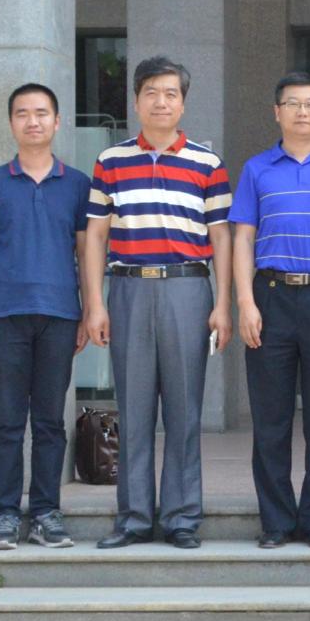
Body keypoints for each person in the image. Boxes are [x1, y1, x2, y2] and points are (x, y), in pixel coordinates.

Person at [81, 56, 233, 551]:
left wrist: (223, 303)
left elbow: (222, 236)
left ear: (183, 103)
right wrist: (95, 303)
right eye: (151, 92)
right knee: (134, 408)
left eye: (170, 93)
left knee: (185, 409)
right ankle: (134, 518)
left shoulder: (208, 163)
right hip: (128, 289)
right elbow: (95, 235)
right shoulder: (111, 161)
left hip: (188, 289)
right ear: (136, 100)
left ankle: (182, 517)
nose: (161, 102)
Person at [0, 82, 93, 551]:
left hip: (59, 315)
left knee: (49, 421)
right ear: (11, 123)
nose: (32, 121)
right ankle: (4, 514)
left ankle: (45, 512)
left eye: (41, 113)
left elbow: (86, 252)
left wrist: (89, 309)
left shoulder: (77, 184)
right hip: (4, 314)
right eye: (23, 113)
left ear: (58, 122)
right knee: (7, 419)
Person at [231, 72, 310, 550]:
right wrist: (245, 302)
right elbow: (243, 238)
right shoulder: (257, 169)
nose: (303, 111)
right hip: (271, 297)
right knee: (271, 419)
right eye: (293, 103)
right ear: (276, 112)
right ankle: (277, 522)